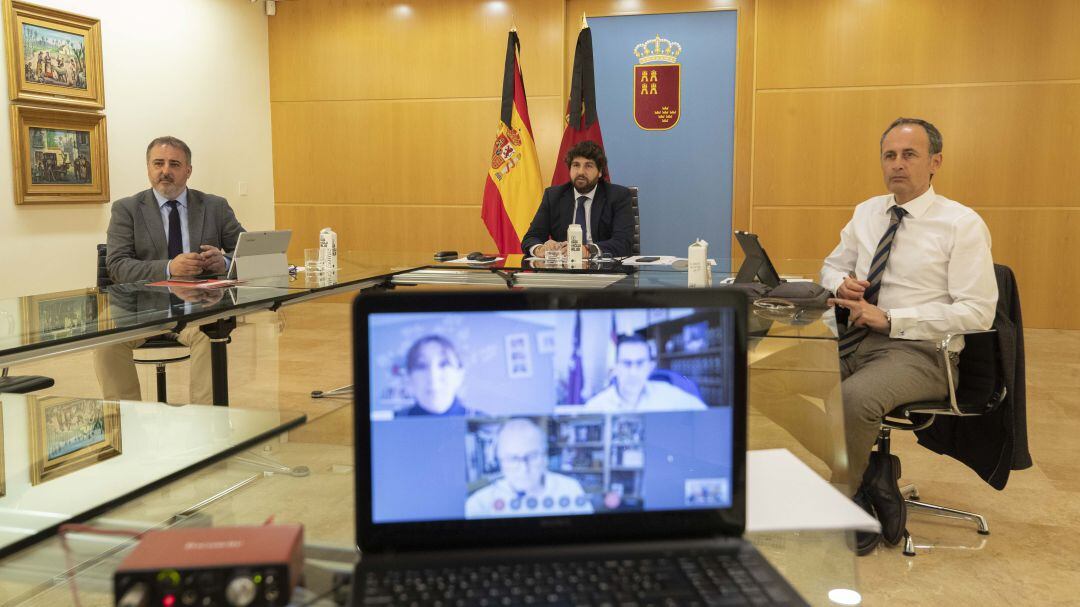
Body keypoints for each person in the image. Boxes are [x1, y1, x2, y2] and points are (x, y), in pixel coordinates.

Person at [820, 118, 997, 555]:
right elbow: (829, 266)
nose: (897, 164)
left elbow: (978, 311)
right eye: (890, 155)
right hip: (857, 337)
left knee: (853, 399)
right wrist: (840, 284)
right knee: (774, 377)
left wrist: (894, 319)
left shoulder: (961, 223)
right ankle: (869, 476)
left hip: (922, 351)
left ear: (935, 162)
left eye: (910, 154)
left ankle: (844, 499)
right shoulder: (867, 211)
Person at [94, 136, 245, 405]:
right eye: (158, 163)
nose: (166, 170)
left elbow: (247, 253)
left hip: (199, 308)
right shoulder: (126, 209)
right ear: (148, 168)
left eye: (174, 164)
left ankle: (206, 423)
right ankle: (127, 424)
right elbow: (116, 265)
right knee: (107, 341)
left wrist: (224, 262)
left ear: (188, 170)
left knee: (210, 336)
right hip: (138, 308)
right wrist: (168, 267)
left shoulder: (215, 207)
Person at [520, 141, 635, 258]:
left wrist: (587, 250)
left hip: (604, 271)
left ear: (600, 172)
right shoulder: (554, 196)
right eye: (576, 165)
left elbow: (623, 243)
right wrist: (539, 249)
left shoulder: (618, 196)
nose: (580, 172)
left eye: (588, 166)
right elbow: (531, 237)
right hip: (564, 271)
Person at [466, 418, 593, 518]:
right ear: (500, 461)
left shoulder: (570, 488)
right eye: (513, 458)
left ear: (545, 457)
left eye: (532, 456)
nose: (524, 467)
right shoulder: (479, 504)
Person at [583, 335, 708, 412]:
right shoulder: (595, 407)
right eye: (627, 363)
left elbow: (704, 415)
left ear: (650, 367)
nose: (633, 372)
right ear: (615, 368)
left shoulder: (669, 394)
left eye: (640, 363)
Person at [397, 335, 474, 417]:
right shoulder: (391, 424)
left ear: (459, 375)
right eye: (421, 366)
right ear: (409, 378)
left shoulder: (483, 425)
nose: (433, 377)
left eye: (444, 364)